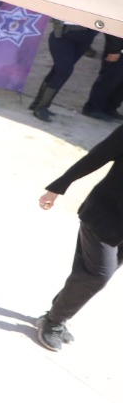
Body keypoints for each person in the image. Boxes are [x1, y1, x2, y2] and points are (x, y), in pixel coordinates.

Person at [35, 123, 123, 350]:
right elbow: (97, 156)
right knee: (98, 275)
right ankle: (53, 322)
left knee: (88, 277)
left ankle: (55, 315)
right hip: (105, 216)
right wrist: (58, 187)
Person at [28, 22, 116, 123]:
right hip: (64, 33)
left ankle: (38, 104)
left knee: (58, 70)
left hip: (86, 35)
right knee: (64, 71)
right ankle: (41, 107)